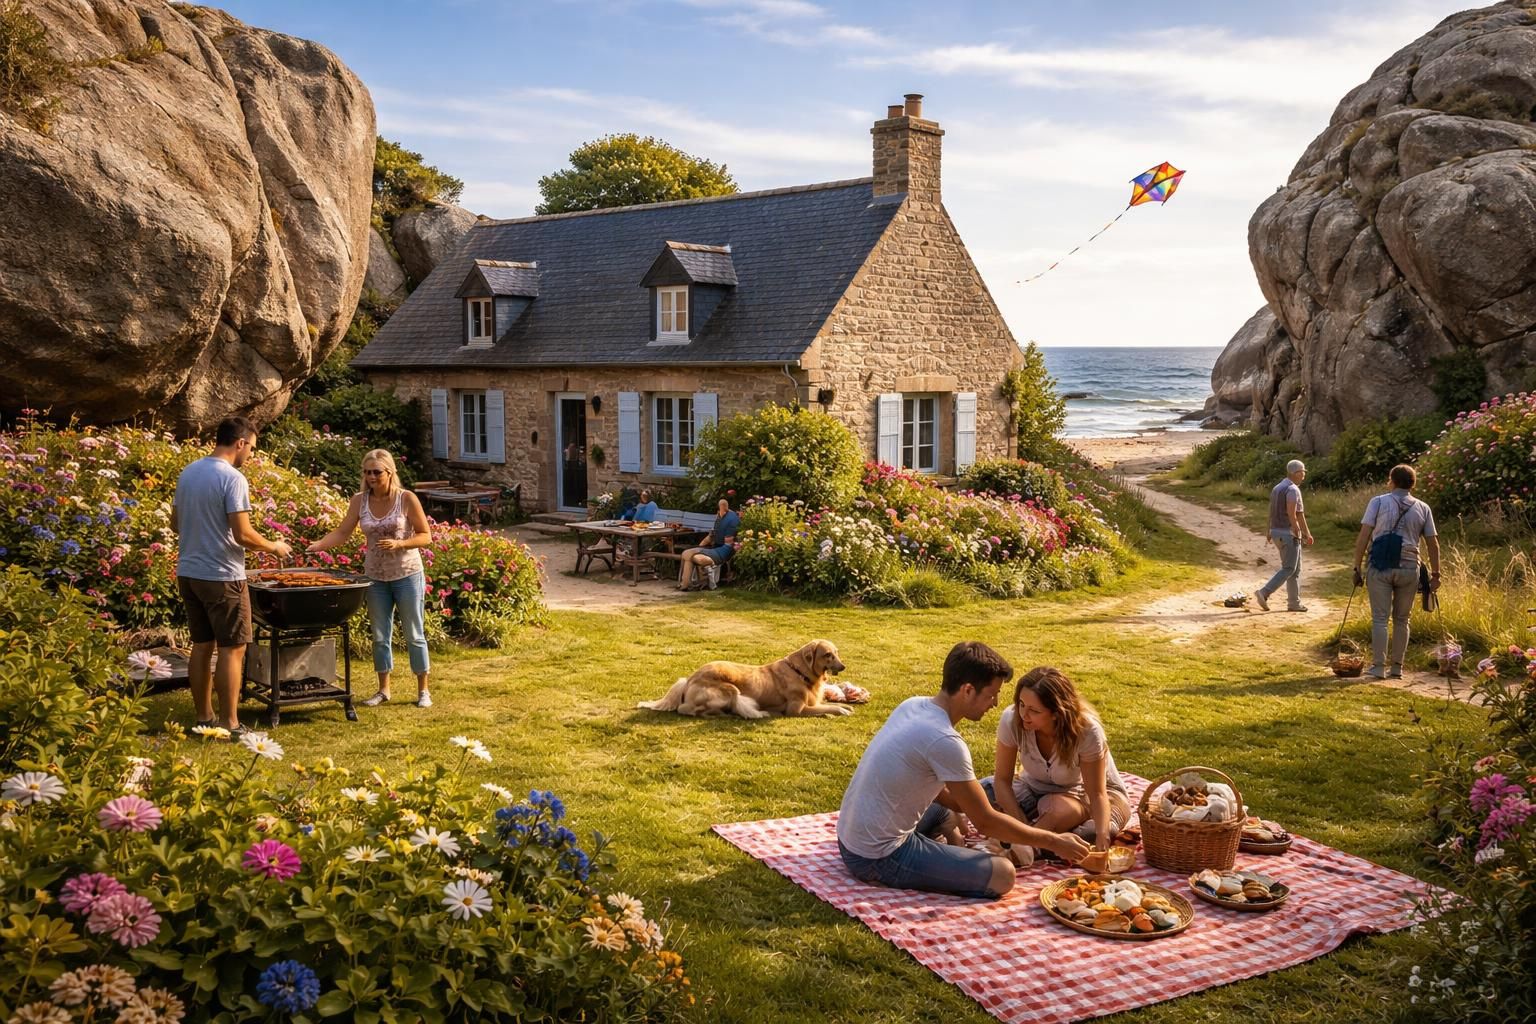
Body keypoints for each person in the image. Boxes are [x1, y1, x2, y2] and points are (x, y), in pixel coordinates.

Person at [836, 641, 1093, 900]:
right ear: (968, 690)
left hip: (850, 839)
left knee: (948, 812)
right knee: (1002, 874)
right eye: (991, 694)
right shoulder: (943, 740)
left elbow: (936, 792)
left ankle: (948, 840)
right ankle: (946, 860)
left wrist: (966, 808)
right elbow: (985, 822)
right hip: (877, 857)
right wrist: (1054, 841)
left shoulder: (913, 705)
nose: (995, 704)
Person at [171, 416, 292, 735]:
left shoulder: (189, 472)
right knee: (233, 648)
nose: (250, 454)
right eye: (251, 448)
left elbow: (175, 524)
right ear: (240, 443)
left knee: (201, 645)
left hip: (189, 572)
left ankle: (204, 718)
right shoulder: (232, 478)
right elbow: (243, 534)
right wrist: (274, 546)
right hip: (222, 575)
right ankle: (230, 724)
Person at [307, 449, 434, 707]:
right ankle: (383, 689)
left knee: (414, 633)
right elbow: (342, 532)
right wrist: (318, 545)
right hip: (375, 576)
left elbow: (425, 535)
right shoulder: (359, 500)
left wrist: (401, 544)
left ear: (390, 473)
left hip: (407, 573)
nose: (371, 477)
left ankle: (423, 690)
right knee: (379, 634)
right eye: (367, 472)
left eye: (377, 472)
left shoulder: (406, 499)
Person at [983, 666, 1131, 865]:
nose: (1024, 714)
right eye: (1021, 704)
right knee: (980, 793)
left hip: (1083, 794)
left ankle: (1025, 848)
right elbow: (1002, 780)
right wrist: (1026, 831)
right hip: (1032, 786)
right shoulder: (1012, 720)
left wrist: (1102, 839)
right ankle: (1037, 844)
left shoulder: (1087, 731)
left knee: (1089, 830)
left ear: (1056, 713)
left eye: (1034, 710)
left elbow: (1097, 794)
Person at [1352, 463, 1440, 679]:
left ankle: (1379, 667)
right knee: (1402, 619)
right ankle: (1397, 668)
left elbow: (1364, 535)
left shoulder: (1378, 502)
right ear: (1412, 483)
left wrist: (1357, 567)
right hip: (1410, 567)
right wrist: (1436, 574)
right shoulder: (1423, 507)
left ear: (1391, 480)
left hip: (1380, 565)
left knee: (1380, 619)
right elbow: (1432, 543)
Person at [1255, 459, 1314, 612]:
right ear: (1296, 473)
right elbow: (1294, 514)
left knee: (1295, 570)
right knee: (1289, 568)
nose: (1304, 476)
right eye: (1303, 472)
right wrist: (1298, 532)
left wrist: (1268, 530)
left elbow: (1271, 512)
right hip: (1288, 534)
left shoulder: (1277, 488)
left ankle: (1294, 603)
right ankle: (1264, 592)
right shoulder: (1293, 490)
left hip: (1276, 533)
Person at [677, 497, 739, 591]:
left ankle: (685, 584)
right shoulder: (720, 520)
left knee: (687, 554)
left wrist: (699, 550)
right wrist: (699, 547)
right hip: (715, 549)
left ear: (722, 509)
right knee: (689, 555)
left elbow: (727, 546)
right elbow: (711, 536)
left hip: (720, 553)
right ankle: (686, 585)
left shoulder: (731, 520)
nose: (716, 514)